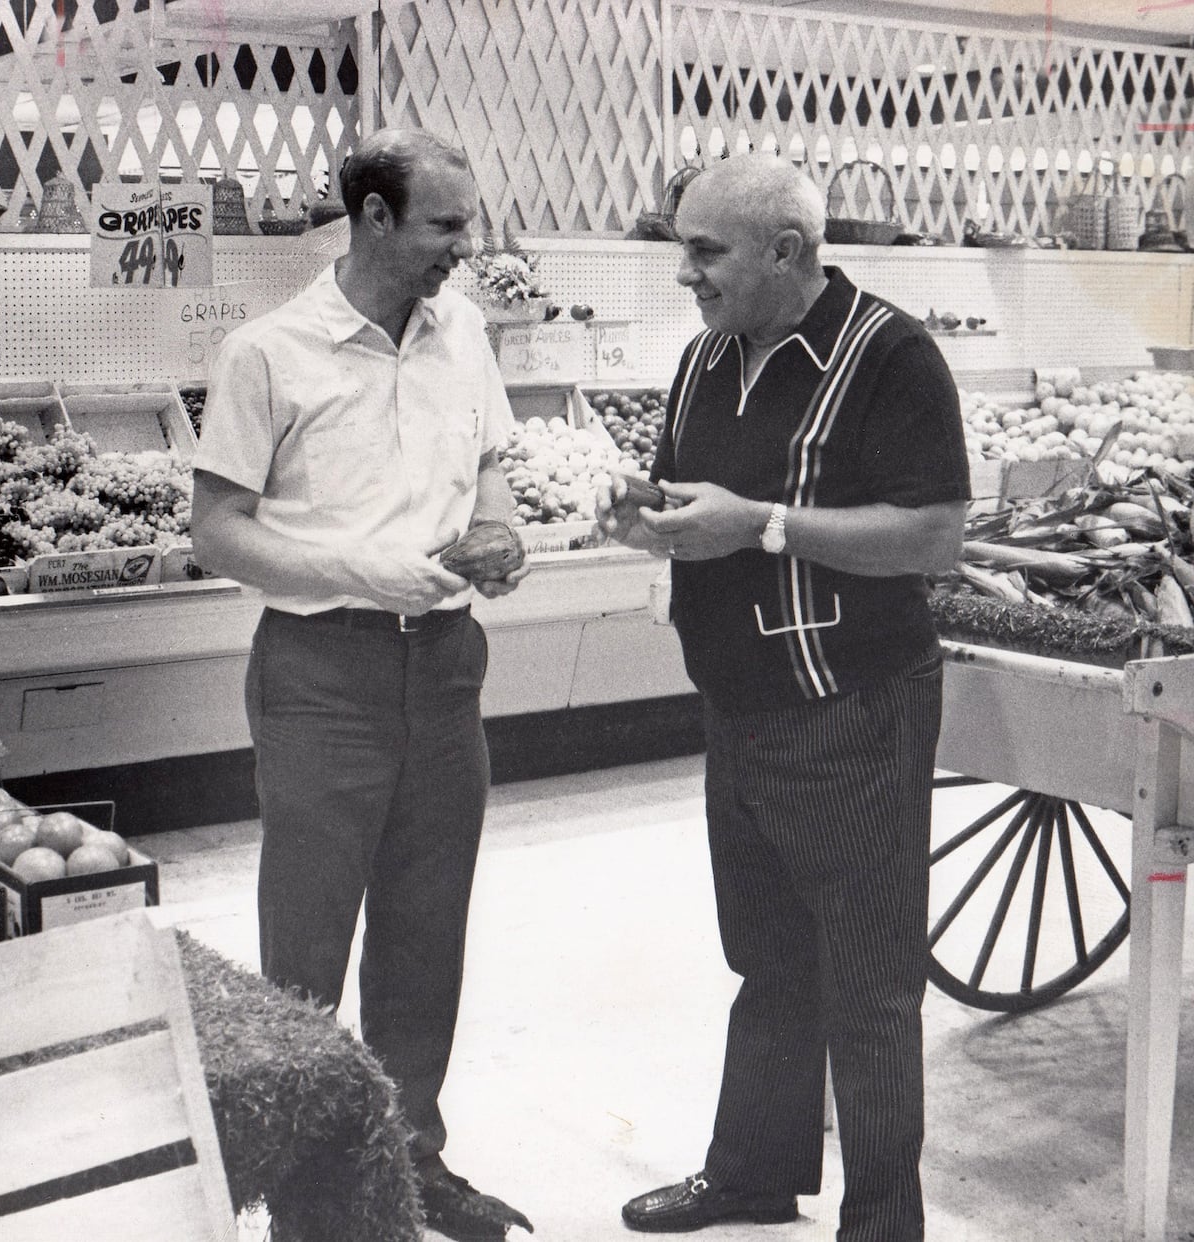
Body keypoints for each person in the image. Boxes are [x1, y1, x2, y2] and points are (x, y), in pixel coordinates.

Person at [597, 153, 969, 1241]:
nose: (685, 276)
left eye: (704, 252)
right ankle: (753, 1176)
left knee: (867, 986)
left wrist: (757, 522)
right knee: (765, 961)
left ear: (786, 251)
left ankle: (884, 1222)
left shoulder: (890, 355)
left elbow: (933, 534)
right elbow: (692, 498)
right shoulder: (706, 358)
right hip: (738, 707)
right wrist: (647, 516)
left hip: (851, 709)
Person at [191, 128, 535, 1242]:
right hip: (320, 674)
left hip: (443, 665)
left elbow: (488, 464)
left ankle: (409, 1163)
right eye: (444, 225)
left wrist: (500, 530)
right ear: (374, 218)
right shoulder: (268, 352)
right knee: (305, 947)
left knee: (427, 930)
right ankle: (309, 1197)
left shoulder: (464, 329)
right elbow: (217, 534)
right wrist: (358, 568)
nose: (462, 248)